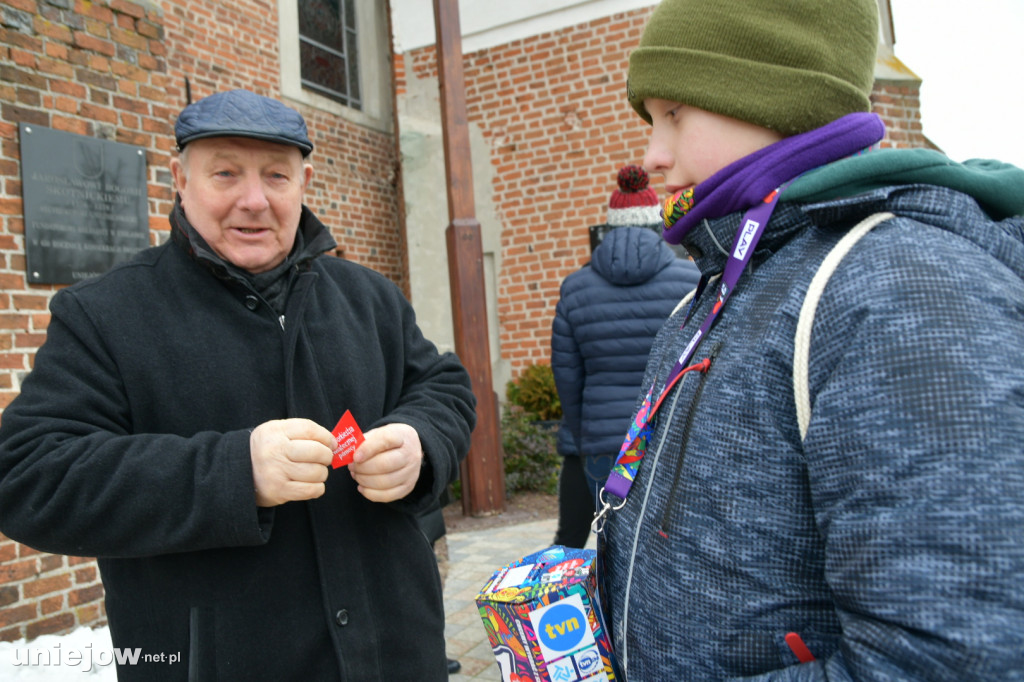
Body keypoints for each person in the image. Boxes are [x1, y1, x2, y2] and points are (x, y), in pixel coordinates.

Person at [596, 1, 1024, 680]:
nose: (651, 154)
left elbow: (952, 658)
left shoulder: (899, 287)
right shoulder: (716, 286)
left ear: (775, 95)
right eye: (650, 119)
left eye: (675, 113)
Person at [0, 89, 476, 681]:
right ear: (179, 178)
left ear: (303, 181)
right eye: (225, 173)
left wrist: (420, 441)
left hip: (397, 655)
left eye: (276, 175)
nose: (254, 200)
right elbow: (26, 477)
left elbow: (444, 386)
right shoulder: (104, 315)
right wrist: (234, 473)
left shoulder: (368, 295)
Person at [551, 165, 700, 548]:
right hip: (669, 438)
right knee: (667, 546)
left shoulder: (576, 288)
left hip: (603, 442)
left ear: (610, 227)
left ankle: (605, 609)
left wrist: (587, 435)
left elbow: (567, 375)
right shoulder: (691, 281)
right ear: (656, 223)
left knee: (609, 544)